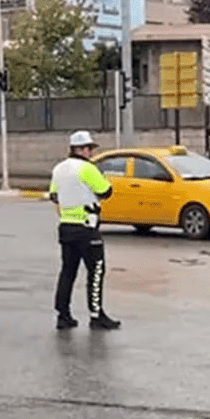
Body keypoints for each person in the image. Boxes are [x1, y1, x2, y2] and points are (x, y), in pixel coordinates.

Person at [48, 130, 121, 331]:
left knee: (67, 272)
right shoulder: (87, 169)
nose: (91, 152)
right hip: (87, 229)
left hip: (66, 228)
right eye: (89, 148)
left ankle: (63, 315)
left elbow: (53, 195)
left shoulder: (59, 169)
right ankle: (97, 316)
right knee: (96, 271)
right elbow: (106, 191)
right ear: (81, 149)